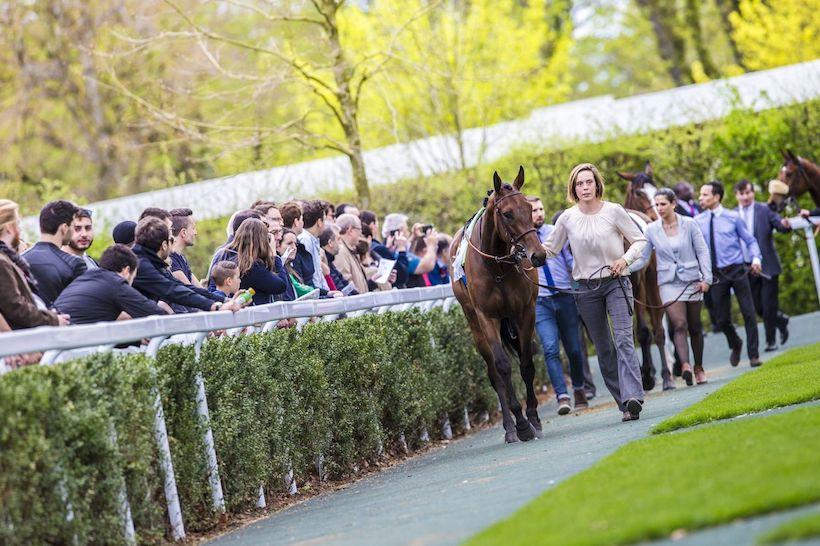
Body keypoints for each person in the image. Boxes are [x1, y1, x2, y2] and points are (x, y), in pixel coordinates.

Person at [542, 163, 647, 422]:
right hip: (586, 289)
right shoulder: (567, 218)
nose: (585, 187)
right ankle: (624, 402)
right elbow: (550, 249)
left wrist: (625, 260)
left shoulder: (614, 211)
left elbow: (640, 240)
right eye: (579, 184)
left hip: (616, 281)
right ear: (573, 189)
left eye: (589, 182)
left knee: (623, 340)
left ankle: (634, 396)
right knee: (604, 348)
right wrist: (524, 251)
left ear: (597, 184)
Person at [635, 188, 712, 385]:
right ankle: (685, 365)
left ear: (673, 204)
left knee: (695, 327)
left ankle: (699, 367)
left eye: (663, 204)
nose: (659, 208)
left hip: (692, 280)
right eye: (657, 204)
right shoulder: (651, 230)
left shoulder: (689, 224)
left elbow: (702, 251)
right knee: (679, 324)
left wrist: (707, 279)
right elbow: (643, 258)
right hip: (668, 283)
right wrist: (624, 268)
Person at [528, 196, 589, 412]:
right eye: (534, 210)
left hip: (565, 296)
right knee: (551, 349)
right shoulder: (520, 242)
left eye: (541, 209)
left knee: (574, 349)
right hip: (541, 302)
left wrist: (583, 275)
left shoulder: (556, 231)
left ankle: (579, 388)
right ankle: (562, 396)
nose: (539, 213)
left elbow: (570, 259)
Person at [696, 180, 763, 367]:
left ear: (716, 197)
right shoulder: (697, 222)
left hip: (737, 270)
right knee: (722, 319)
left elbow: (750, 241)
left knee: (749, 313)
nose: (700, 198)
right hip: (716, 275)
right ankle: (736, 343)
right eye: (700, 194)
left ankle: (753, 355)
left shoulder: (733, 217)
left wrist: (756, 259)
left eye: (704, 194)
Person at [132, 217, 238, 312]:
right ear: (164, 245)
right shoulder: (142, 264)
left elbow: (183, 287)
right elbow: (173, 291)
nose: (174, 242)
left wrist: (224, 300)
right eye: (171, 239)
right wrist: (215, 306)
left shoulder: (149, 261)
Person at [734, 179, 791, 351]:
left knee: (768, 305)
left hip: (768, 264)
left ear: (753, 193)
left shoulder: (764, 210)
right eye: (741, 193)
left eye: (748, 192)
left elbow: (780, 225)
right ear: (736, 195)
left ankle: (770, 341)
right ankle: (780, 320)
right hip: (746, 268)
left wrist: (785, 225)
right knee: (757, 307)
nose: (745, 197)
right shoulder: (732, 215)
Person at [54, 244, 167, 323]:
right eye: (134, 277)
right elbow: (156, 313)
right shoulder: (115, 283)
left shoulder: (86, 277)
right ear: (126, 271)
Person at [0, 199, 67, 329]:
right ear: (9, 227)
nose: (20, 228)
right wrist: (52, 319)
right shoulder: (2, 262)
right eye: (18, 223)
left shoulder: (7, 259)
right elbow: (16, 308)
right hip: (21, 342)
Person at [23, 200, 87, 307]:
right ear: (65, 228)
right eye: (74, 227)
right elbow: (82, 307)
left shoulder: (19, 259)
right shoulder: (74, 264)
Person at [227, 218, 288, 305]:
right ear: (262, 240)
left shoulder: (233, 259)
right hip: (257, 314)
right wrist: (274, 256)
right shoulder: (253, 267)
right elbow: (281, 286)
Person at [297, 200, 330, 291]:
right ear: (319, 222)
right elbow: (311, 275)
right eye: (325, 220)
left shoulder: (313, 239)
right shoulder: (305, 240)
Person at [334, 214, 370, 294]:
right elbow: (346, 282)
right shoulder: (340, 251)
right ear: (350, 230)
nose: (361, 234)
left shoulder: (349, 250)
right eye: (359, 230)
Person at [320, 227, 357, 295]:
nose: (340, 243)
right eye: (338, 239)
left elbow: (344, 283)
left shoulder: (330, 261)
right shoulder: (325, 264)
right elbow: (338, 289)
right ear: (330, 243)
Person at [279, 228, 315, 298]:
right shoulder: (280, 268)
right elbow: (301, 290)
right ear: (278, 246)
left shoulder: (291, 267)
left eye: (295, 244)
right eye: (289, 243)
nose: (294, 248)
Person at [169, 208, 200, 286]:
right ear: (183, 232)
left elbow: (200, 289)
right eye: (193, 228)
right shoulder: (170, 260)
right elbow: (190, 293)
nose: (196, 232)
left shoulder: (180, 257)